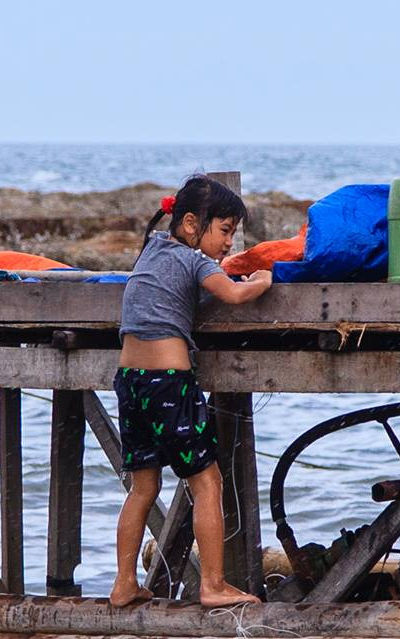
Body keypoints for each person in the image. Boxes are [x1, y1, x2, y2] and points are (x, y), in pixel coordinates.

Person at [110, 175, 271, 607]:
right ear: (189, 225)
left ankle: (124, 583)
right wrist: (262, 280)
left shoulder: (152, 252)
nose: (229, 243)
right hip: (168, 384)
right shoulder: (196, 262)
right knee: (207, 482)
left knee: (143, 488)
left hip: (129, 383)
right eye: (224, 231)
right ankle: (214, 584)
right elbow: (235, 295)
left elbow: (171, 297)